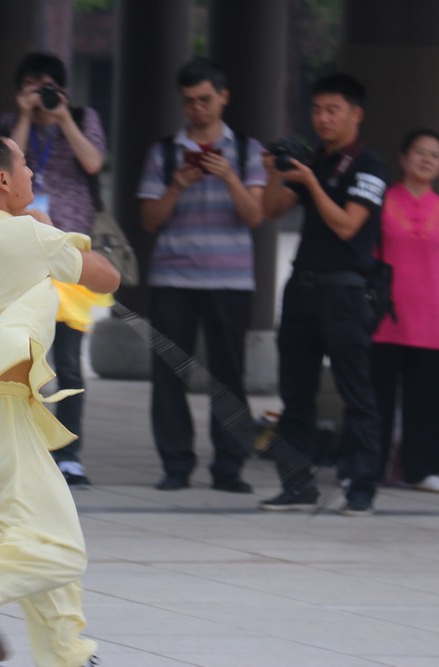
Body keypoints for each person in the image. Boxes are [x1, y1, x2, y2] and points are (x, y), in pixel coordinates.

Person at [0, 123, 118, 666]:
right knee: (59, 550)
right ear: (4, 179)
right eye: (25, 164)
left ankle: (69, 657)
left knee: (29, 554)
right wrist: (49, 229)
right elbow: (107, 278)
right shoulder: (27, 236)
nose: (33, 172)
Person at [261, 73, 387, 516]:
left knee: (357, 393)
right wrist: (277, 174)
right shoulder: (309, 159)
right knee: (295, 391)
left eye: (333, 110)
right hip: (302, 289)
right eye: (317, 110)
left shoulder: (368, 166)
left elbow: (348, 224)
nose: (323, 118)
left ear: (356, 114)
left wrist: (311, 182)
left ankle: (362, 486)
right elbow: (270, 210)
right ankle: (297, 485)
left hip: (346, 294)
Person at [137, 58, 265, 494]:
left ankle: (229, 467)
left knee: (228, 377)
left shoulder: (246, 150)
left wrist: (229, 177)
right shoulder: (165, 152)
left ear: (224, 97)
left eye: (206, 99)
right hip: (174, 279)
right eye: (190, 101)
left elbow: (255, 215)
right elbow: (150, 220)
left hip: (231, 281)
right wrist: (177, 185)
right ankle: (176, 465)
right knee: (169, 374)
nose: (198, 109)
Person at [2, 51, 109, 488]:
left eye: (50, 85)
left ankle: (70, 455)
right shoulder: (8, 124)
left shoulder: (84, 119)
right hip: (20, 257)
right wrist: (25, 116)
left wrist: (63, 117)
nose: (42, 93)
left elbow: (93, 163)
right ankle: (18, 446)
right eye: (33, 84)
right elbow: (5, 170)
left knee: (67, 360)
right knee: (17, 358)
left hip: (69, 258)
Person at [370, 128, 439, 493]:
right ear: (403, 158)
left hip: (433, 319)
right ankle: (369, 464)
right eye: (420, 152)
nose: (427, 159)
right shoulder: (382, 203)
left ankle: (420, 471)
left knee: (426, 401)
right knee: (376, 395)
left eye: (435, 155)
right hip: (386, 315)